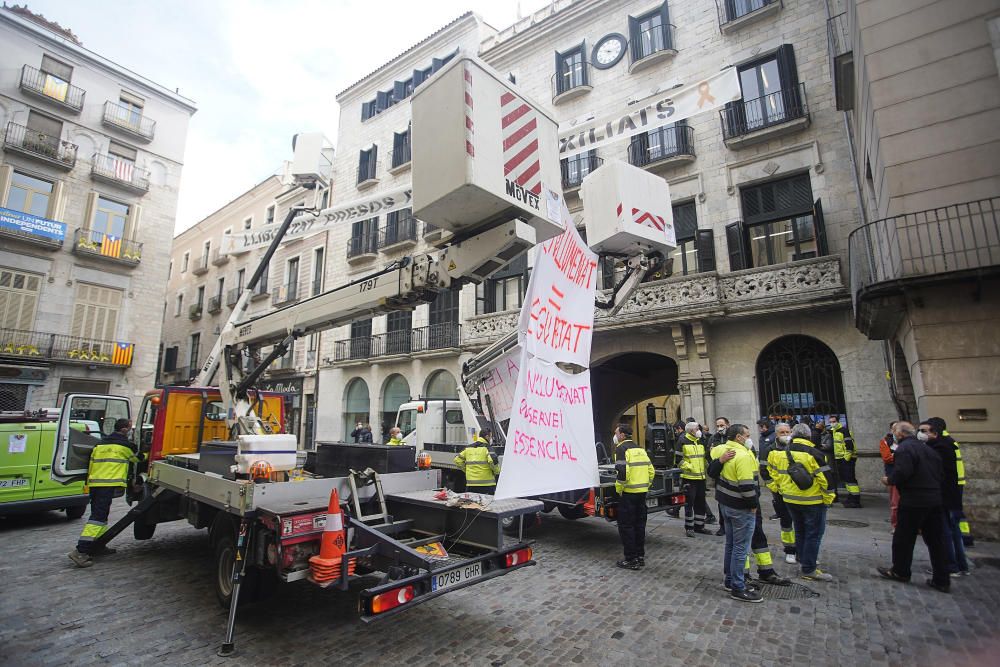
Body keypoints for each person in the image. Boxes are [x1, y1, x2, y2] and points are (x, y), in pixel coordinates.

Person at [877, 421, 951, 592]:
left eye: (894, 431)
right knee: (936, 541)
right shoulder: (929, 449)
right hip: (934, 499)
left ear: (900, 434)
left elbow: (902, 472)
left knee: (904, 537)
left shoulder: (904, 449)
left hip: (914, 499)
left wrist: (890, 480)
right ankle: (942, 579)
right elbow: (940, 474)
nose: (892, 433)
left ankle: (900, 571)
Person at [68, 418, 139, 568]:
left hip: (95, 484)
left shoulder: (99, 444)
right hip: (107, 484)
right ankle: (81, 551)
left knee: (101, 514)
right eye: (130, 427)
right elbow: (137, 459)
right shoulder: (123, 447)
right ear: (125, 430)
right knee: (97, 518)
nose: (131, 430)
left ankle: (97, 545)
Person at [771, 423, 835, 582]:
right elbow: (826, 480)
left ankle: (803, 557)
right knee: (814, 533)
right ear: (808, 436)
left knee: (799, 530)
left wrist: (782, 490)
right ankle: (809, 568)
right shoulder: (815, 454)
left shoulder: (781, 453)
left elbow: (775, 475)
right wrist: (827, 499)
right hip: (812, 500)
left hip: (790, 499)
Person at [710, 424, 763, 603]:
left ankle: (730, 580)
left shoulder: (721, 450)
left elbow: (711, 467)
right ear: (739, 437)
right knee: (740, 548)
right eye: (747, 435)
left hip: (725, 503)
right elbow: (747, 485)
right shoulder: (743, 455)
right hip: (740, 507)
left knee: (731, 544)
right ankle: (738, 587)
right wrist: (753, 505)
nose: (749, 438)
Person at [920, 421, 969, 577]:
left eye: (924, 430)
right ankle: (961, 565)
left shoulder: (940, 447)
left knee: (943, 530)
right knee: (953, 529)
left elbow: (936, 473)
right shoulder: (949, 443)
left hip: (943, 494)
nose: (920, 433)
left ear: (935, 432)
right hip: (952, 492)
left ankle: (950, 565)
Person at [613, 424, 654, 570]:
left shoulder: (621, 449)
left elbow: (623, 473)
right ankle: (640, 556)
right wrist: (645, 486)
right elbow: (651, 470)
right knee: (639, 525)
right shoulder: (640, 449)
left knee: (626, 526)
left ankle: (631, 559)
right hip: (641, 494)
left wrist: (619, 488)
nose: (616, 436)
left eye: (617, 433)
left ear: (623, 435)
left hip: (628, 494)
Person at [929, 418, 974, 547]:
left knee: (953, 515)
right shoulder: (949, 441)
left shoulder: (944, 444)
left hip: (951, 483)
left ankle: (963, 539)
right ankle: (964, 539)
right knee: (956, 513)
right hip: (955, 482)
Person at [766, 422, 797, 564]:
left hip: (799, 492)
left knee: (802, 523)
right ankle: (790, 550)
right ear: (776, 434)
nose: (786, 435)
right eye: (782, 433)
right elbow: (765, 471)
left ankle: (803, 550)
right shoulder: (770, 450)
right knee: (786, 523)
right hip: (781, 493)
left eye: (787, 432)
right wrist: (774, 487)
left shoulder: (799, 448)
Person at [678, 422, 712, 537]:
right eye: (697, 428)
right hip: (689, 478)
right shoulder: (682, 441)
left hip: (701, 478)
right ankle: (689, 527)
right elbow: (678, 460)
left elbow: (704, 458)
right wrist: (690, 467)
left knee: (700, 502)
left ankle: (699, 526)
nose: (699, 430)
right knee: (689, 503)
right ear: (691, 430)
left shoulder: (701, 441)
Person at [453, 427, 500, 495]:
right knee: (487, 504)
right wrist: (497, 472)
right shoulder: (487, 448)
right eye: (490, 436)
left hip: (471, 484)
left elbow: (457, 460)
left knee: (472, 504)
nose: (491, 439)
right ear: (487, 436)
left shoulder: (468, 448)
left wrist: (466, 470)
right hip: (487, 485)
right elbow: (493, 461)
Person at [830, 415, 861, 507]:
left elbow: (849, 447)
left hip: (847, 460)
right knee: (846, 479)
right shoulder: (834, 432)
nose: (832, 423)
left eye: (833, 421)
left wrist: (846, 459)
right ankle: (851, 497)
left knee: (850, 479)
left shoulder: (844, 431)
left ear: (838, 421)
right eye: (830, 422)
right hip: (840, 459)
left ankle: (855, 500)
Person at [710, 417, 730, 535]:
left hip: (732, 473)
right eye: (717, 426)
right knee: (721, 501)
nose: (719, 428)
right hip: (720, 474)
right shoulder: (714, 438)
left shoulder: (732, 436)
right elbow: (709, 455)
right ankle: (722, 526)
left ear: (727, 425)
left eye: (722, 425)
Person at [879, 422, 899, 532]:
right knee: (895, 502)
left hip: (910, 475)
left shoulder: (909, 442)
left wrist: (895, 455)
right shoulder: (886, 442)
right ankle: (895, 525)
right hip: (893, 475)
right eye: (894, 428)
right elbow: (887, 458)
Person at [757, 419, 777, 519]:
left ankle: (780, 512)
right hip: (764, 467)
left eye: (761, 427)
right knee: (773, 491)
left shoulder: (773, 436)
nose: (760, 429)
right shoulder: (763, 437)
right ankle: (779, 510)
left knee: (776, 491)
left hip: (772, 468)